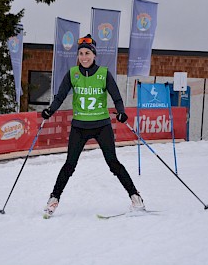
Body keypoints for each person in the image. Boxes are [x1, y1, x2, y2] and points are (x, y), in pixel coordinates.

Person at [41, 34, 145, 218]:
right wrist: (50, 110)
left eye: (87, 53)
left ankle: (135, 196)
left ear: (94, 54)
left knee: (113, 163)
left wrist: (121, 112)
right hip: (79, 127)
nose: (84, 57)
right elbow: (60, 96)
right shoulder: (72, 73)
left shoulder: (104, 74)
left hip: (101, 125)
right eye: (80, 53)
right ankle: (53, 199)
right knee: (69, 165)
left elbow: (117, 97)